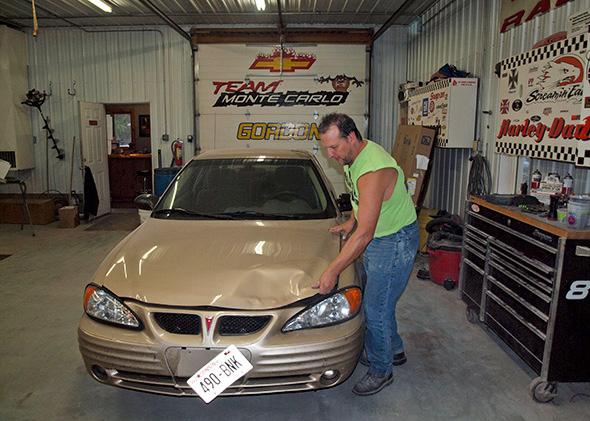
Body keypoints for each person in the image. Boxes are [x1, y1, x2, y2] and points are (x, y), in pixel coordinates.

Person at [313, 113, 418, 396]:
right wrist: (351, 221)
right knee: (381, 301)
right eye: (327, 149)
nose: (331, 155)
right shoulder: (354, 157)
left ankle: (382, 370)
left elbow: (365, 235)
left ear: (351, 138)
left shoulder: (373, 170)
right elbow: (364, 206)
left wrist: (332, 270)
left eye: (334, 147)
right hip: (383, 235)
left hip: (393, 241)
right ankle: (393, 350)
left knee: (375, 309)